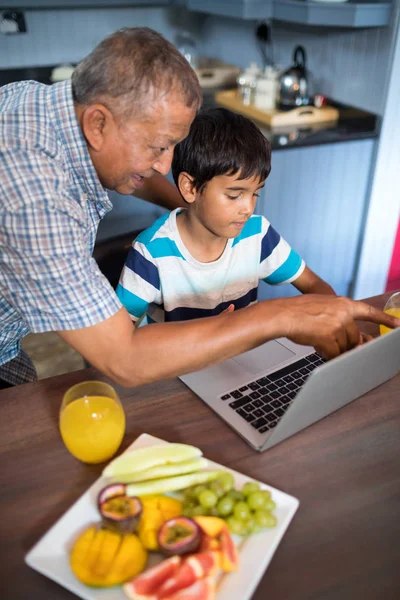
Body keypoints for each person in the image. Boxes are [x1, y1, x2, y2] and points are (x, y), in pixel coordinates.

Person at [0, 29, 398, 390]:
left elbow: (153, 166)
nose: (164, 165)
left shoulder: (45, 105)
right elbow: (120, 358)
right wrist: (280, 316)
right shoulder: (35, 196)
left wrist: (197, 211)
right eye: (159, 147)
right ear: (98, 125)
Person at [117, 108, 337, 331]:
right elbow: (121, 340)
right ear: (190, 187)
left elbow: (313, 283)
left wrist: (338, 320)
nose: (248, 208)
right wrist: (211, 333)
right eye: (234, 196)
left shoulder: (257, 235)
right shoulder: (151, 254)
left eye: (255, 194)